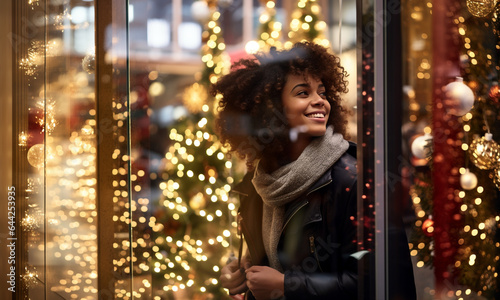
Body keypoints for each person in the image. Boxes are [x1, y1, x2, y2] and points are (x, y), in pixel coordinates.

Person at [211, 42, 414, 299]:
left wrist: (286, 284)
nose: (320, 101)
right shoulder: (258, 183)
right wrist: (244, 274)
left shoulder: (354, 181)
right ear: (270, 109)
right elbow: (270, 263)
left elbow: (380, 283)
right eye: (303, 93)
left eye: (322, 92)